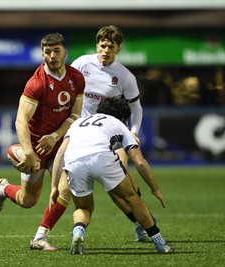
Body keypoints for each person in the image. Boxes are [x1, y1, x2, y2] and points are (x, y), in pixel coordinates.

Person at [29, 25, 154, 250]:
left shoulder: (125, 76)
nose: (106, 50)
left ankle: (140, 224)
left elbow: (136, 109)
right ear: (97, 45)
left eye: (111, 47)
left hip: (111, 138)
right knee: (64, 187)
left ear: (118, 49)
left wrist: (133, 130)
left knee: (122, 191)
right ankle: (41, 234)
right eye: (103, 45)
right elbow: (65, 89)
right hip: (81, 134)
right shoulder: (82, 64)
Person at [0, 33, 85, 251]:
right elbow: (21, 120)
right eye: (48, 52)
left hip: (60, 143)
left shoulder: (76, 78)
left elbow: (75, 115)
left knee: (66, 186)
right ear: (42, 54)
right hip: (37, 147)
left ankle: (40, 237)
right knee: (28, 200)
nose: (52, 56)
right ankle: (4, 189)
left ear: (65, 52)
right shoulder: (36, 83)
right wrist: (29, 152)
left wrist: (55, 136)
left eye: (57, 51)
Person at [49, 96, 175, 254]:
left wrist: (54, 186)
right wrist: (154, 189)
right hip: (101, 158)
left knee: (83, 207)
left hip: (74, 162)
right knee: (132, 197)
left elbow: (61, 152)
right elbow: (139, 161)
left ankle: (79, 231)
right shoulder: (118, 124)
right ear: (123, 118)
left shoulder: (78, 123)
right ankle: (160, 243)